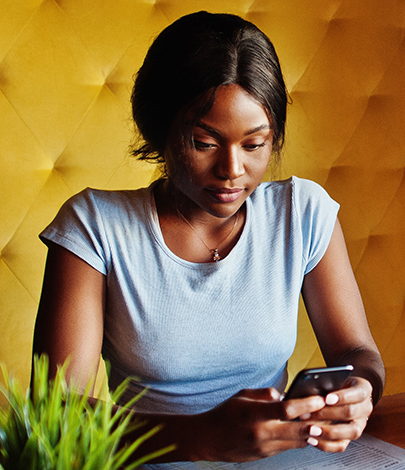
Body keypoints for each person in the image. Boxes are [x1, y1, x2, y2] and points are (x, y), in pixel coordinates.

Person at [32, 11, 384, 463]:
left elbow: (357, 351)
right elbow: (56, 417)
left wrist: (360, 389)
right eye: (204, 142)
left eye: (254, 145)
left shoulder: (302, 213)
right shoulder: (96, 227)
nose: (232, 171)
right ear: (159, 130)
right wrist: (199, 436)